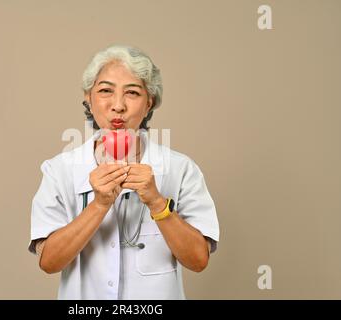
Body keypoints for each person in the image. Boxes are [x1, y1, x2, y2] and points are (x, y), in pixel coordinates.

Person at [28, 45, 220, 299]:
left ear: (149, 102)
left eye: (132, 93)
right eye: (105, 90)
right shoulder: (59, 170)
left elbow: (198, 261)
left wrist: (157, 202)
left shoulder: (180, 168)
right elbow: (49, 263)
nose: (118, 106)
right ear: (88, 97)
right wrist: (99, 205)